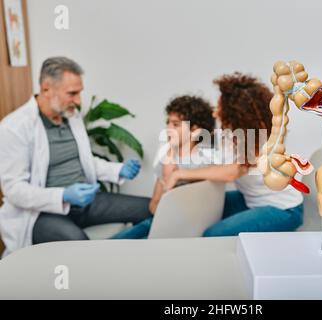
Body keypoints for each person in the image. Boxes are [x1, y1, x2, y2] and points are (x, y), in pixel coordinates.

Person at [0, 57, 150, 257]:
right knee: (79, 245)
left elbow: (85, 160)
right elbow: (14, 190)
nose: (79, 101)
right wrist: (62, 196)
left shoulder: (71, 116)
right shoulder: (14, 127)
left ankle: (120, 261)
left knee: (150, 210)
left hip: (85, 203)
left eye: (80, 92)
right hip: (42, 213)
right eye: (72, 93)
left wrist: (117, 169)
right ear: (46, 88)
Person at [164, 73, 304, 237]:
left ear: (235, 110)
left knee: (212, 235)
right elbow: (215, 164)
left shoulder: (261, 137)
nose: (215, 113)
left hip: (284, 209)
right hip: (250, 200)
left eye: (220, 107)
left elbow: (234, 171)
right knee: (202, 209)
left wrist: (181, 174)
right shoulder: (232, 134)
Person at [111, 95, 215, 239]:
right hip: (160, 221)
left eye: (175, 124)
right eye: (168, 123)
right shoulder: (166, 158)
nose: (168, 128)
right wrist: (171, 150)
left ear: (194, 130)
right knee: (116, 241)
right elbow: (154, 204)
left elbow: (198, 205)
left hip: (187, 227)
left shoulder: (206, 160)